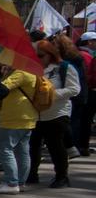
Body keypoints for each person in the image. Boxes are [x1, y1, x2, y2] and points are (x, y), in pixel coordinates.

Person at [26, 40, 79, 188]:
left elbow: (74, 89)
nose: (38, 58)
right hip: (35, 113)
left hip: (57, 113)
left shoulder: (65, 68)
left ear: (50, 54)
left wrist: (51, 94)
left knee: (55, 146)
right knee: (33, 145)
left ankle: (62, 176)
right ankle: (31, 174)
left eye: (41, 55)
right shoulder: (32, 68)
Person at [0, 65, 38, 194]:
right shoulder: (32, 72)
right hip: (27, 117)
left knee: (3, 149)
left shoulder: (20, 73)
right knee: (22, 151)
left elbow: (2, 89)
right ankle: (20, 182)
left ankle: (11, 182)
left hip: (14, 117)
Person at [78, 31, 96, 155]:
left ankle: (83, 145)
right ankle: (82, 145)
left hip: (90, 90)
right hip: (90, 91)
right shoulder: (85, 55)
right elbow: (89, 75)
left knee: (86, 119)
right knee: (86, 119)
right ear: (89, 42)